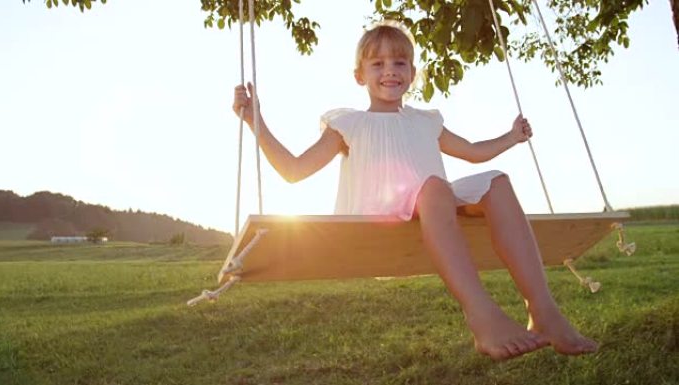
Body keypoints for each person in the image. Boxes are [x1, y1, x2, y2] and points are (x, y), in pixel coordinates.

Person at [232, 22, 598, 361]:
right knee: (435, 188)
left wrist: (511, 138)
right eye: (377, 63)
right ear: (359, 75)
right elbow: (295, 170)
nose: (390, 70)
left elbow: (472, 151)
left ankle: (543, 310)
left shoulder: (427, 121)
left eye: (400, 62)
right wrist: (255, 121)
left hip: (433, 204)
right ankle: (481, 314)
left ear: (412, 73)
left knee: (496, 182)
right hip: (379, 215)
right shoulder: (349, 124)